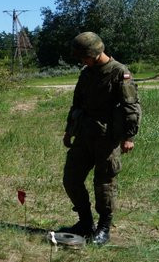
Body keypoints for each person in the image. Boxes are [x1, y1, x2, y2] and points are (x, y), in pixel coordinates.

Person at [60, 32, 141, 245]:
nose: (81, 61)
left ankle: (104, 228)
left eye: (83, 57)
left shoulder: (119, 72)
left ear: (95, 54)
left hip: (107, 138)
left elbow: (130, 107)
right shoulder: (86, 73)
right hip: (84, 134)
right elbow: (77, 103)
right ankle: (85, 223)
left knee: (104, 183)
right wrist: (69, 131)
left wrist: (129, 137)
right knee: (71, 178)